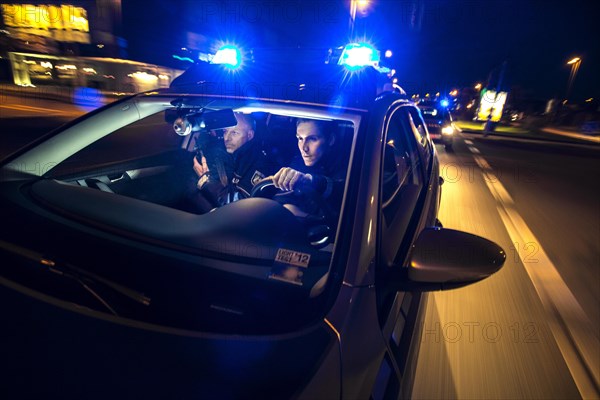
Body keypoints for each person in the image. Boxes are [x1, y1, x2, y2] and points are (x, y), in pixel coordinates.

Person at [271, 118, 345, 227]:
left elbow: (339, 190)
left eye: (312, 139)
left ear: (330, 140)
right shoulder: (298, 162)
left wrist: (308, 180)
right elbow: (281, 198)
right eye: (300, 138)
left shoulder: (348, 165)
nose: (304, 148)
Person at [191, 112, 274, 208]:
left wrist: (205, 181)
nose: (226, 138)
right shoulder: (221, 153)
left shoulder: (261, 163)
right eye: (225, 131)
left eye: (234, 133)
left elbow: (238, 207)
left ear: (250, 135)